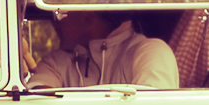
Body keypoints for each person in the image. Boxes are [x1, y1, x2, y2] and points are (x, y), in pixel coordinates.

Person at [29, 11, 179, 89]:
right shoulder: (55, 61)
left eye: (59, 15)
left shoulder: (151, 51)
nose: (54, 23)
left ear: (87, 18)